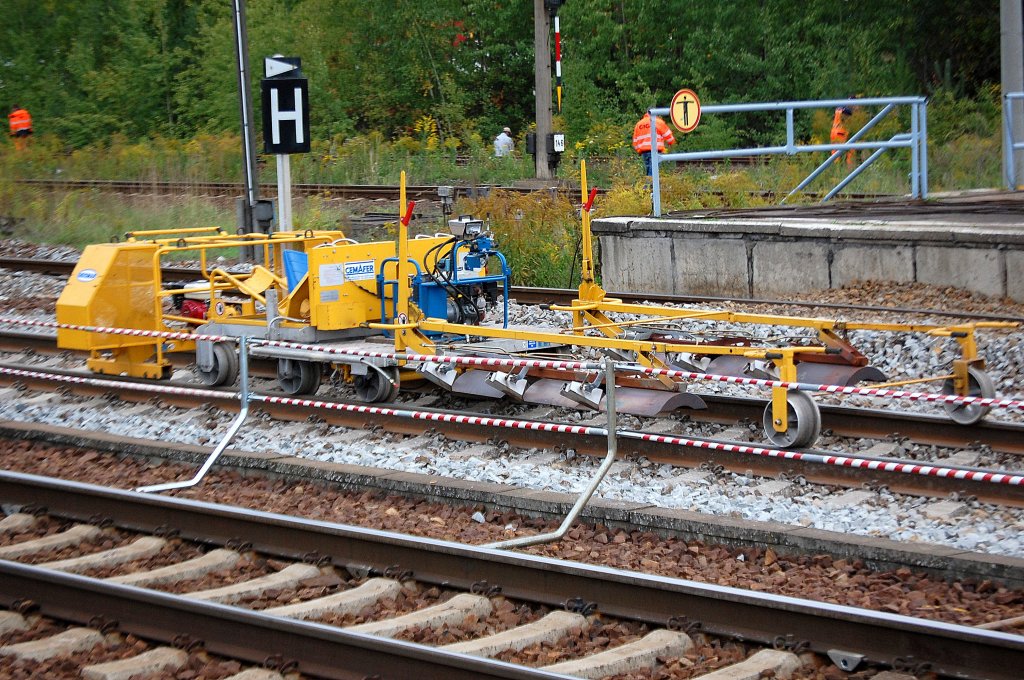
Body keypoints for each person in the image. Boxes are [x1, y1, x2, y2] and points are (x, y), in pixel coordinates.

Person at [631, 112, 675, 176]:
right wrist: (671, 142)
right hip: (655, 151)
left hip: (644, 152)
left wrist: (638, 150)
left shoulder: (639, 124)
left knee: (648, 170)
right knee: (653, 172)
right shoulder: (658, 122)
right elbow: (668, 135)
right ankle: (649, 185)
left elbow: (635, 140)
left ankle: (648, 184)